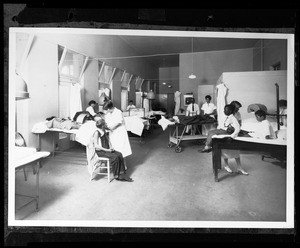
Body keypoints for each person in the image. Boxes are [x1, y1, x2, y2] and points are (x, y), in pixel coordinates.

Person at [222, 101, 248, 175]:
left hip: (235, 132)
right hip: (227, 132)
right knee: (225, 149)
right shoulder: (226, 114)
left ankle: (239, 167)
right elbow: (223, 124)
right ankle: (226, 165)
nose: (238, 110)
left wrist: (236, 128)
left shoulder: (238, 114)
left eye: (238, 108)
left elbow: (240, 124)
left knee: (236, 151)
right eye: (237, 108)